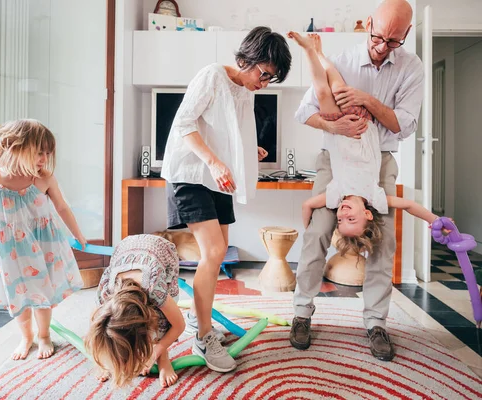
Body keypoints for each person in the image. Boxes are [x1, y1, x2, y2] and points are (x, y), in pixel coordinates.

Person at [291, 0, 424, 362]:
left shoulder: (412, 69)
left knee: (385, 240)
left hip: (378, 160)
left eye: (393, 42)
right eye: (378, 36)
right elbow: (306, 112)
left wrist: (368, 100)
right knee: (318, 232)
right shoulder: (345, 59)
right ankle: (302, 313)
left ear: (406, 35)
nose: (382, 47)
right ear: (368, 24)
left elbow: (405, 125)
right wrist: (334, 125)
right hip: (334, 158)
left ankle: (376, 322)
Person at [160, 26, 292, 372]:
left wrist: (251, 150)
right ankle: (203, 337)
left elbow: (229, 132)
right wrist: (215, 161)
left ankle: (197, 321)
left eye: (270, 80)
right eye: (263, 74)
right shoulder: (212, 76)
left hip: (217, 178)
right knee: (215, 252)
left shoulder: (246, 89)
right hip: (191, 175)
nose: (263, 84)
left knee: (215, 257)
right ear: (246, 59)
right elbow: (184, 124)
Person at [289, 31, 439, 257]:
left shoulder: (335, 195)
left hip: (339, 128)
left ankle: (310, 51)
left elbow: (307, 206)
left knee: (322, 90)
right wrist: (435, 219)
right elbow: (408, 205)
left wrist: (307, 230)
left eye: (340, 219)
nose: (342, 213)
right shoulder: (375, 198)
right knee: (338, 88)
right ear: (368, 215)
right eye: (351, 218)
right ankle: (319, 52)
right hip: (362, 124)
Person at [0, 119, 87, 360]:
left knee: (42, 294)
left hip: (42, 244)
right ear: (16, 147)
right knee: (17, 295)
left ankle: (44, 335)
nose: (44, 158)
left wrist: (77, 233)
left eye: (47, 153)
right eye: (39, 152)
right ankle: (26, 336)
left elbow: (62, 207)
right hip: (11, 248)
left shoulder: (44, 178)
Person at [86, 234, 184, 388]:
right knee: (110, 330)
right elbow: (99, 330)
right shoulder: (105, 293)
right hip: (125, 247)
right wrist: (105, 361)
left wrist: (155, 352)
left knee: (163, 319)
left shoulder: (154, 289)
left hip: (161, 249)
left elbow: (179, 325)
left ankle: (164, 357)